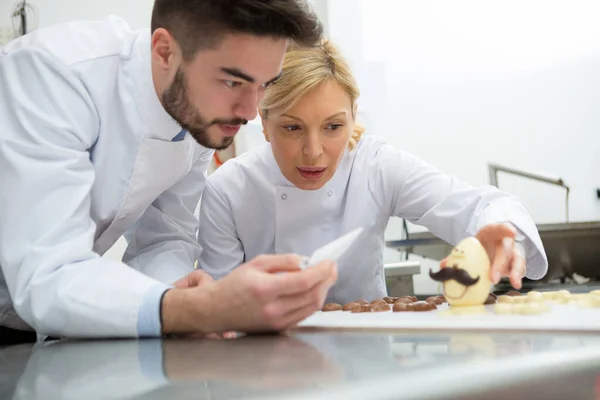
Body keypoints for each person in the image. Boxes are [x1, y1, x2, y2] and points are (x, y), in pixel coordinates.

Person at [0, 0, 338, 345]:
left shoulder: (201, 112)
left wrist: (179, 292)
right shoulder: (53, 75)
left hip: (43, 324)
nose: (250, 111)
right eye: (233, 82)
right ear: (164, 52)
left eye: (265, 85)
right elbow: (47, 274)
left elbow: (164, 236)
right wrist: (196, 308)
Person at [197, 40, 548, 304]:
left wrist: (502, 234)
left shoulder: (374, 166)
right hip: (264, 371)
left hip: (368, 363)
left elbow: (478, 205)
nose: (314, 151)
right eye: (292, 129)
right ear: (265, 124)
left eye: (333, 127)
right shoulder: (229, 190)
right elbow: (219, 309)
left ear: (353, 118)